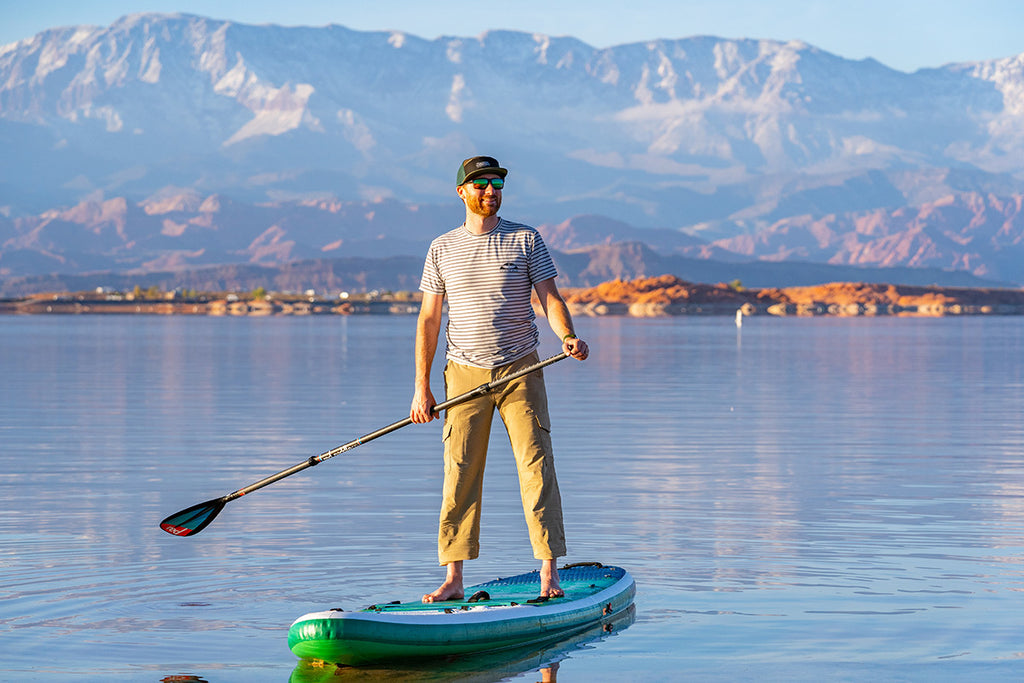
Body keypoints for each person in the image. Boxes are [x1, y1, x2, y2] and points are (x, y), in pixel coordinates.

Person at [410, 155, 589, 603]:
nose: (491, 190)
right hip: (463, 373)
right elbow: (429, 319)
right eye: (481, 184)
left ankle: (549, 574)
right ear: (462, 192)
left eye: (497, 183)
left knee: (536, 467)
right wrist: (422, 386)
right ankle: (453, 579)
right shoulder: (441, 248)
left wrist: (567, 335)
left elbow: (550, 298)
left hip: (521, 369)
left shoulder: (526, 239)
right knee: (460, 473)